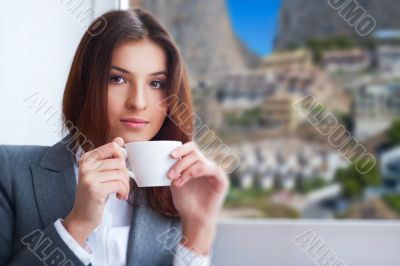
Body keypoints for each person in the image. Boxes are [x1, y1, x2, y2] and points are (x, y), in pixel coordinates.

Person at [0, 8, 229, 266]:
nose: (138, 103)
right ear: (87, 83)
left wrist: (198, 231)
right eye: (118, 79)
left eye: (156, 84)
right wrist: (77, 226)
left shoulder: (179, 191)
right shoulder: (10, 170)